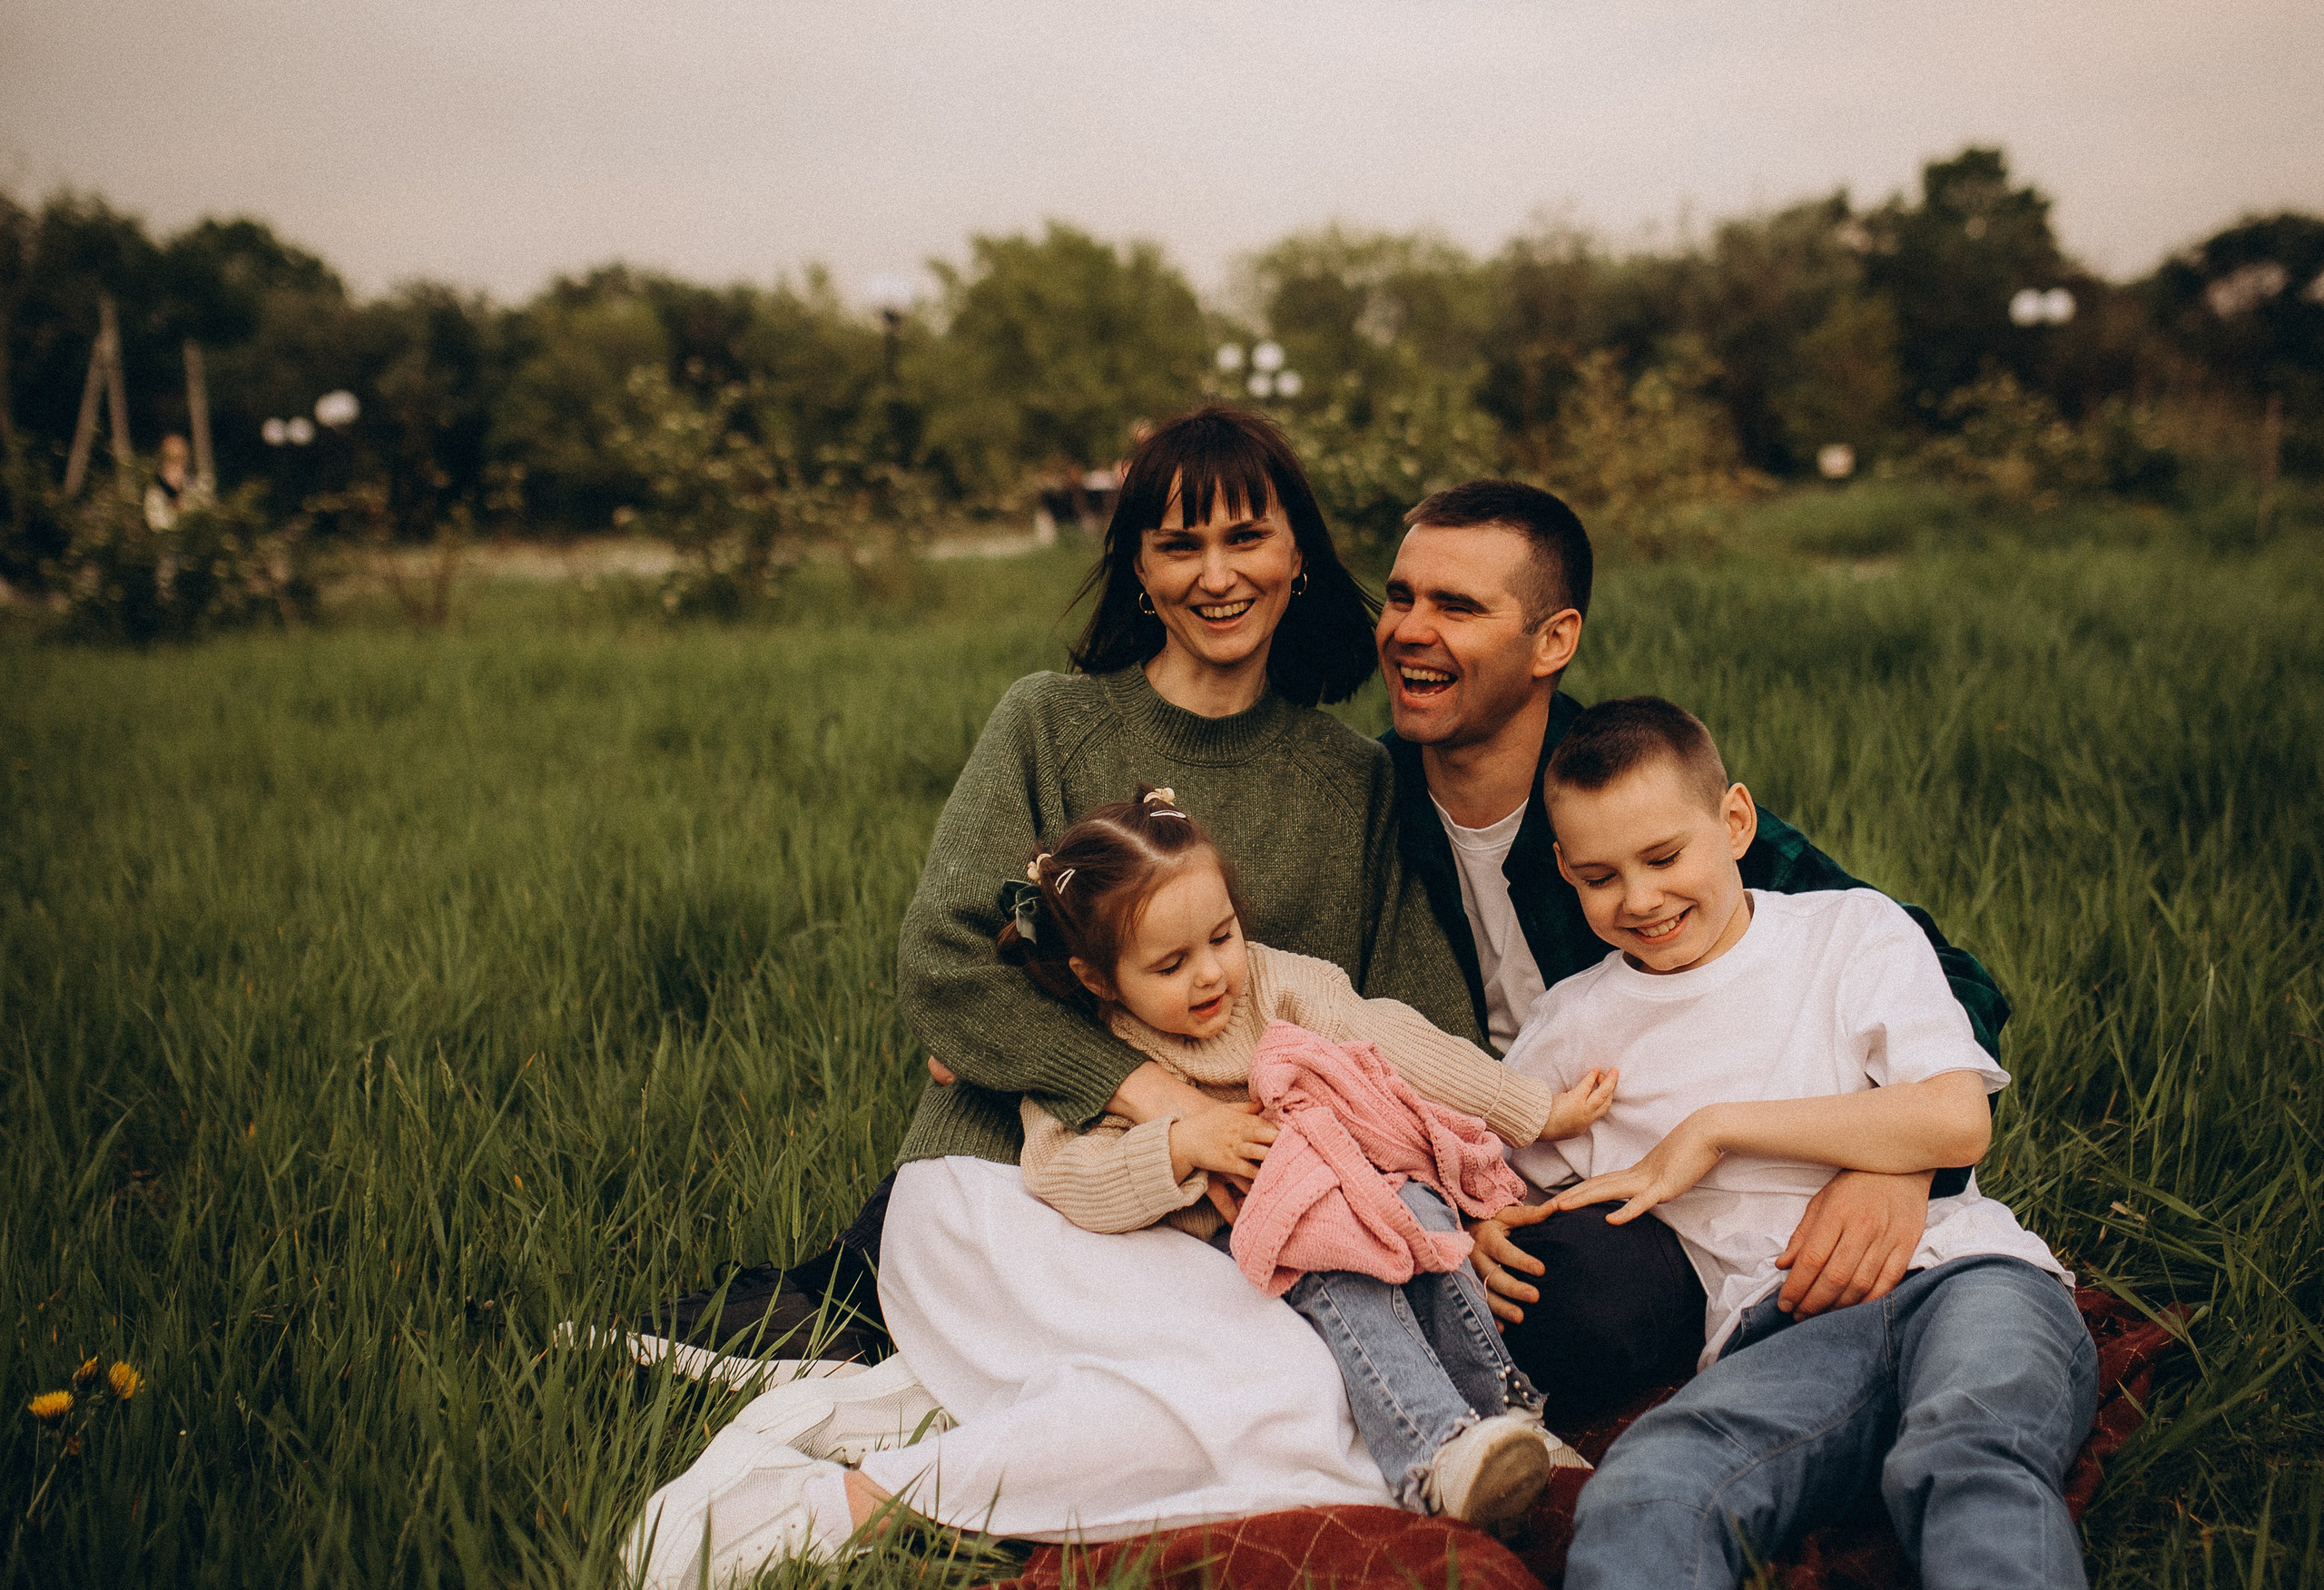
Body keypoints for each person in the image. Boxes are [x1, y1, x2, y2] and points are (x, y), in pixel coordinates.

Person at [625, 407, 1487, 1580]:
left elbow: (1414, 1017)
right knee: (1285, 1395)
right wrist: (1146, 1093)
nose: (1217, 575)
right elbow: (944, 961)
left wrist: (1454, 1173)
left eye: (1247, 537)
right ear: (1135, 568)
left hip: (1223, 1223)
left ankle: (941, 1460)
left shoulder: (1353, 782)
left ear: (1300, 558)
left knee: (1319, 1399)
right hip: (1003, 1183)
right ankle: (842, 1506)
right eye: (1179, 545)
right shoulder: (1050, 722)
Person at [1373, 481, 2014, 1418]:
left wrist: (1900, 1165)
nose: (1408, 630)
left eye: (1456, 606)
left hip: (1668, 1174)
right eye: (1400, 597)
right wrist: (1463, 1212)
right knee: (1536, 1294)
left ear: (1553, 640)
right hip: (1506, 1157)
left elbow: (1945, 976)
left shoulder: (1630, 791)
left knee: (1596, 1303)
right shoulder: (1367, 805)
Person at [1502, 696, 2093, 1589]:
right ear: (1562, 869)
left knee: (1969, 1453)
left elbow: (1953, 1117)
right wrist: (1476, 1222)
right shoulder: (1569, 1028)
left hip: (1965, 1277)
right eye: (1598, 877)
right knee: (1649, 1485)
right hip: (1781, 1334)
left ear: (1734, 820)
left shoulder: (1847, 931)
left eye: (1664, 856)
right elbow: (1492, 1172)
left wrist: (1714, 1128)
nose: (1641, 898)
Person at [999, 785, 1610, 1528]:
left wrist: (1529, 1108)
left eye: (1222, 937)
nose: (1211, 974)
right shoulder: (1093, 1052)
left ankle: (1507, 1414)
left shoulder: (1270, 980)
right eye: (1170, 965)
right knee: (1341, 1270)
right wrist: (1180, 1144)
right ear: (1099, 977)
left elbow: (1389, 1039)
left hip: (1352, 1180)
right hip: (1245, 1245)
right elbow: (1062, 1173)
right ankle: (1432, 1452)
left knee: (1420, 1217)